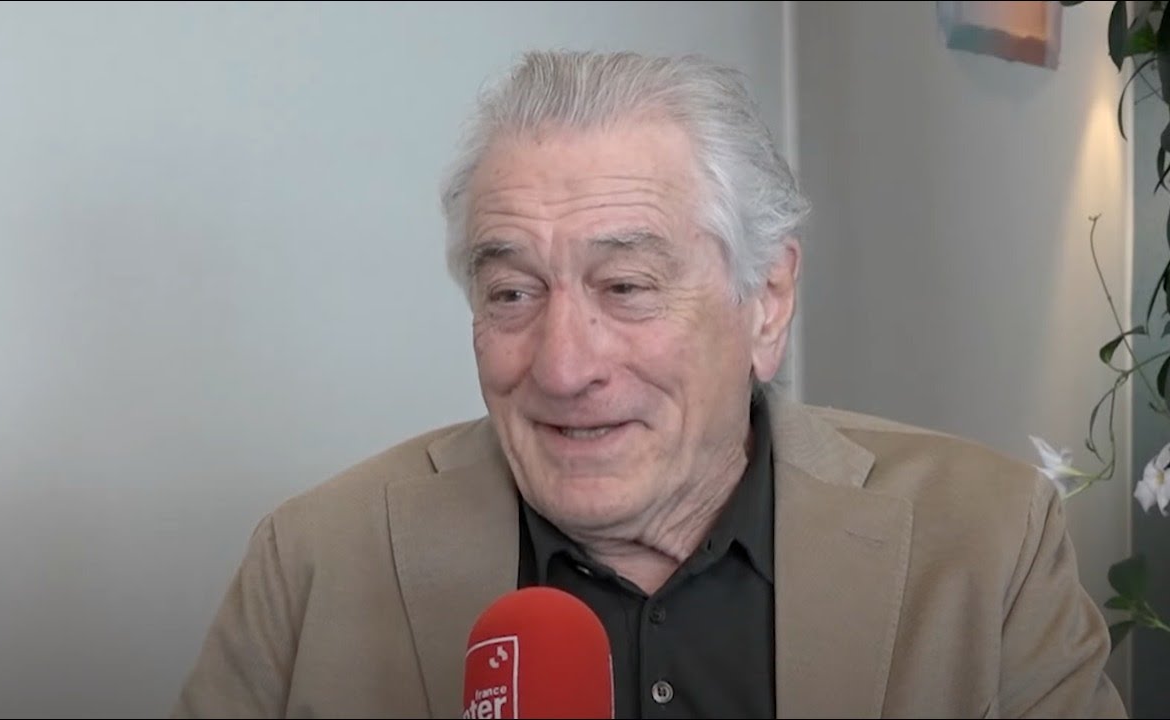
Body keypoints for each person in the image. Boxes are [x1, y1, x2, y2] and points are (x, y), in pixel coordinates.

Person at [170, 50, 1126, 719]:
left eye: (626, 287)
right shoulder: (312, 562)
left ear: (767, 302)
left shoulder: (986, 544)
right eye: (512, 293)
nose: (563, 367)